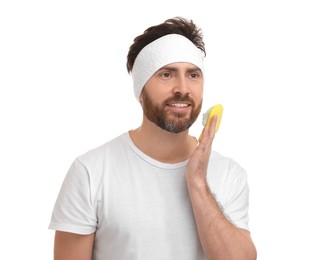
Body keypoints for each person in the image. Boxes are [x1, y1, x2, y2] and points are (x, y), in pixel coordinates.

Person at [49, 16, 257, 260]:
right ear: (141, 89)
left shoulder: (229, 173)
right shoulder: (91, 172)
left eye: (193, 74)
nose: (182, 88)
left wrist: (197, 182)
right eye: (166, 74)